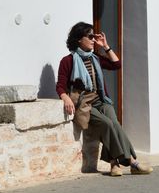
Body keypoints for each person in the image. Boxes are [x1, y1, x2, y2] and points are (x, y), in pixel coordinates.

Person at [56, 21, 153, 177]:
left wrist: (106, 46)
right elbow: (60, 85)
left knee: (114, 123)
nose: (93, 39)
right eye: (90, 36)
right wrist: (65, 97)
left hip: (101, 100)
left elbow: (116, 64)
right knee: (107, 124)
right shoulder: (68, 61)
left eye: (94, 36)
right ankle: (132, 163)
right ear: (79, 39)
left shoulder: (95, 58)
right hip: (85, 104)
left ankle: (115, 164)